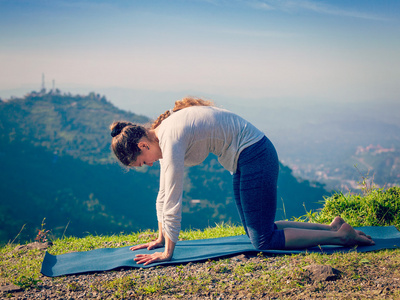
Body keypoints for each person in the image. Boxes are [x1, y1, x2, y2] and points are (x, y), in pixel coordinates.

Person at [110, 97, 374, 266]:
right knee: (258, 230)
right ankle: (332, 227)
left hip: (255, 156)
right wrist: (160, 237)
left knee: (263, 241)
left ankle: (341, 238)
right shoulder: (166, 134)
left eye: (143, 162)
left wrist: (168, 251)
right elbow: (163, 192)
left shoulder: (170, 138)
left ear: (143, 145)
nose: (149, 164)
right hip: (248, 158)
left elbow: (173, 195)